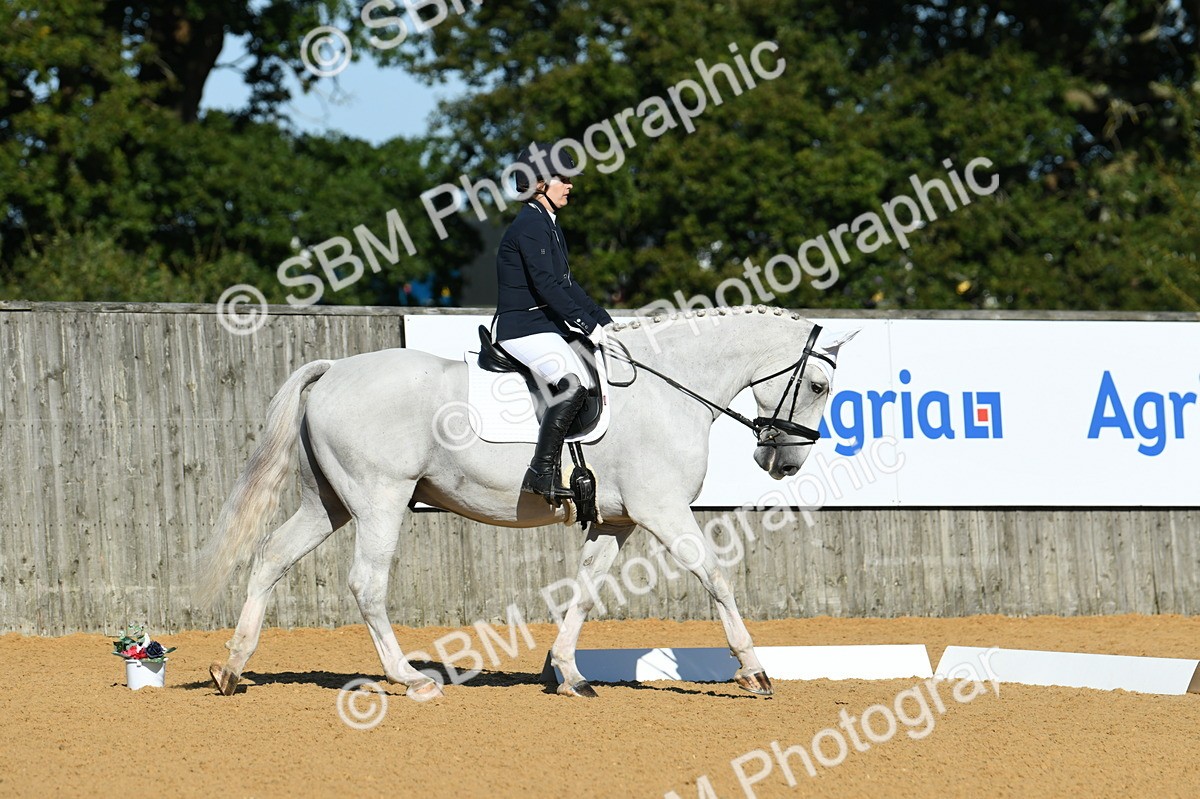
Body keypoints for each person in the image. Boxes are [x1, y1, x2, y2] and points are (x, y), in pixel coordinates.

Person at [493, 142, 614, 504]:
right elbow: (546, 285)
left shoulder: (548, 224)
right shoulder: (530, 224)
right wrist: (585, 323)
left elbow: (566, 284)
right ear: (540, 182)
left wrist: (604, 321)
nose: (570, 185)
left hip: (543, 326)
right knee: (572, 384)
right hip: (522, 328)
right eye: (563, 178)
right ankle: (541, 472)